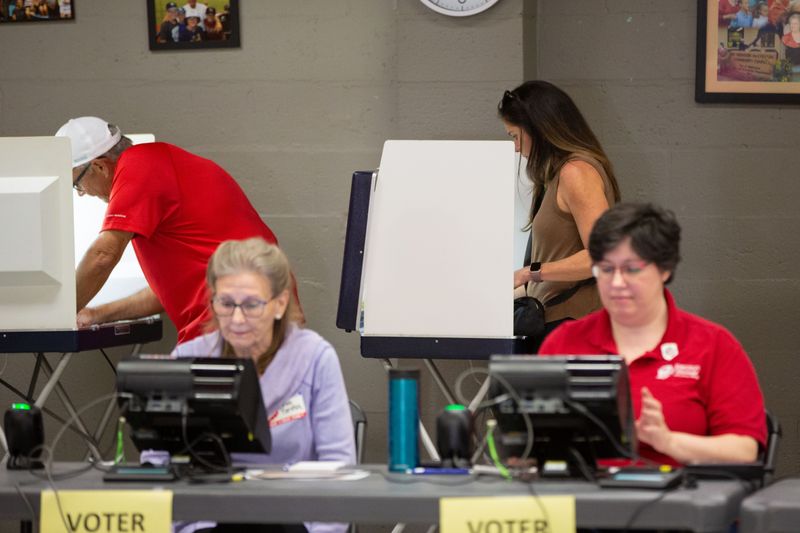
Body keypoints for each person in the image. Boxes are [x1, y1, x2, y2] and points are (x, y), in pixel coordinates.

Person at [539, 203, 767, 466]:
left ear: (664, 269)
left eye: (632, 269)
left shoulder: (713, 345)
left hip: (680, 500)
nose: (616, 283)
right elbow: (535, 439)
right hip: (583, 500)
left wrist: (668, 441)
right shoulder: (565, 341)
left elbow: (744, 449)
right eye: (606, 269)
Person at [55, 116, 303, 343]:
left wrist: (58, 317)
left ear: (100, 166)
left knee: (169, 388)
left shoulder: (137, 167)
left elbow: (103, 255)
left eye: (77, 183)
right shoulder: (159, 162)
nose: (82, 193)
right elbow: (165, 292)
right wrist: (95, 314)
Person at [171, 237, 355, 533]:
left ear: (280, 303)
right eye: (226, 303)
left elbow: (338, 466)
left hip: (294, 521)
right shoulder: (188, 358)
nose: (238, 318)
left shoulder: (315, 358)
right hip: (208, 522)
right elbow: (158, 464)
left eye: (252, 305)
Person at [498, 81, 621, 348]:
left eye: (516, 136)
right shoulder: (557, 175)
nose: (516, 148)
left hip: (575, 325)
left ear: (539, 129)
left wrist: (530, 273)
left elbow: (600, 256)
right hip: (558, 321)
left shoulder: (576, 173)